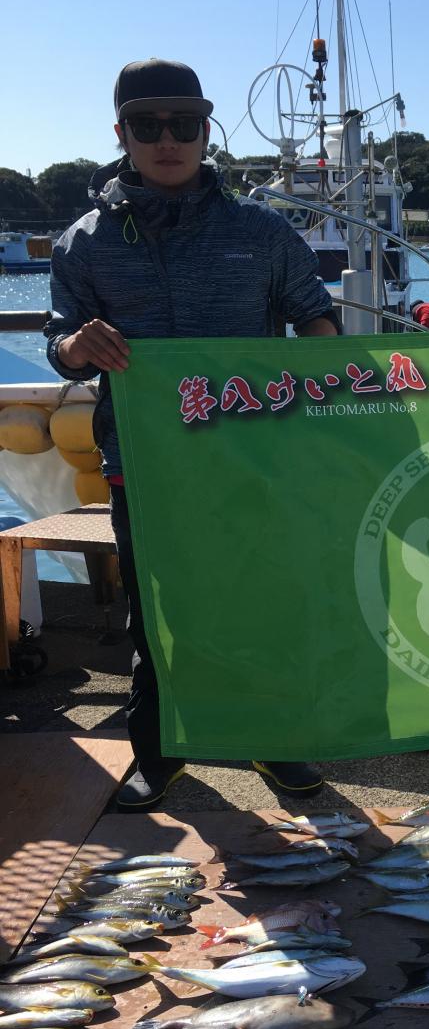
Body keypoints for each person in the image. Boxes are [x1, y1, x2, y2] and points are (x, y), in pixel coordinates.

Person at [46, 58, 342, 811]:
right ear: (121, 134)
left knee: (266, 603)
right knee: (155, 615)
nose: (167, 140)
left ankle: (277, 741)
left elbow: (316, 316)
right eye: (147, 125)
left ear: (207, 131)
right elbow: (58, 342)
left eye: (184, 124)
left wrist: (327, 376)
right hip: (143, 464)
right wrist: (77, 346)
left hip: (254, 458)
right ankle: (159, 752)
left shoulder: (262, 230)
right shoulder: (83, 242)